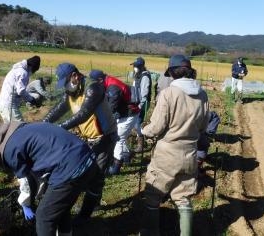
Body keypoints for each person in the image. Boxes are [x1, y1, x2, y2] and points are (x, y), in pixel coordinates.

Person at [0, 121, 98, 236]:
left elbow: (27, 182)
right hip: (87, 157)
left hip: (70, 168)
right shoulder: (26, 128)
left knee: (43, 216)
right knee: (61, 208)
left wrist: (25, 203)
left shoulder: (10, 149)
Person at [140, 55, 209, 236]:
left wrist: (143, 132)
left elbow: (157, 126)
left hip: (167, 154)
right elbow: (203, 126)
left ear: (172, 72)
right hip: (190, 153)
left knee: (153, 197)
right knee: (183, 197)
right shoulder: (202, 94)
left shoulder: (168, 93)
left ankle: (149, 232)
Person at [43, 63, 117, 223]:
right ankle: (90, 201)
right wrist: (43, 124)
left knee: (97, 175)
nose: (65, 86)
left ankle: (87, 212)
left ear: (75, 76)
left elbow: (84, 114)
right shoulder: (72, 90)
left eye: (66, 81)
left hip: (104, 137)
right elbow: (59, 108)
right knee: (85, 171)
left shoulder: (93, 88)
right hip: (88, 138)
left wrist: (59, 127)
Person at [89, 69, 140, 175]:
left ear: (100, 80)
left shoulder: (113, 88)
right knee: (121, 136)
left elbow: (111, 108)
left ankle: (116, 167)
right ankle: (126, 156)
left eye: (95, 82)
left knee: (118, 138)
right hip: (125, 112)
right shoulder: (108, 81)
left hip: (130, 113)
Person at [0, 56, 41, 122]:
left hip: (4, 102)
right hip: (9, 104)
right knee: (19, 126)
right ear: (31, 67)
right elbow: (21, 91)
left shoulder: (16, 70)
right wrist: (32, 100)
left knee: (9, 127)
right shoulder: (23, 73)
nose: (33, 72)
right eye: (34, 70)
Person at [130, 57, 152, 153]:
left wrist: (139, 106)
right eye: (134, 65)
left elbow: (144, 94)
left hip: (143, 104)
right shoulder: (138, 75)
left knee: (138, 123)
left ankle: (140, 144)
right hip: (136, 103)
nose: (134, 67)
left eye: (136, 66)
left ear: (142, 67)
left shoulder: (145, 77)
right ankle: (139, 138)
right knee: (135, 123)